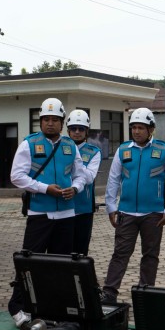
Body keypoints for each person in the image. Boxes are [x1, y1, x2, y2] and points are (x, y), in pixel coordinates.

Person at [8, 97, 88, 326]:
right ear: (40, 122)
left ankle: (53, 308)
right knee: (29, 262)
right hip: (39, 215)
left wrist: (75, 187)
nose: (50, 123)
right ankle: (17, 307)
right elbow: (17, 176)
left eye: (55, 120)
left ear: (62, 123)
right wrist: (45, 189)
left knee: (60, 265)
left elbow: (80, 174)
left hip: (66, 215)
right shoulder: (29, 144)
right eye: (46, 119)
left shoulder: (69, 145)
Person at [101, 107, 165, 303]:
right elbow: (113, 179)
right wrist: (111, 207)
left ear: (151, 129)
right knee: (120, 254)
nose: (136, 131)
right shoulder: (123, 150)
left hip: (153, 214)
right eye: (134, 127)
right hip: (126, 213)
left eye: (141, 128)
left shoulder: (164, 150)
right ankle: (109, 293)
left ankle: (146, 293)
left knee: (150, 255)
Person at [66, 109, 101, 255]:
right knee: (62, 249)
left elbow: (89, 177)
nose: (77, 132)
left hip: (84, 208)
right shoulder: (60, 148)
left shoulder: (94, 152)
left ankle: (80, 278)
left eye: (81, 129)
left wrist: (76, 160)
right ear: (68, 130)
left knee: (80, 250)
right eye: (73, 128)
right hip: (62, 208)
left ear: (87, 131)